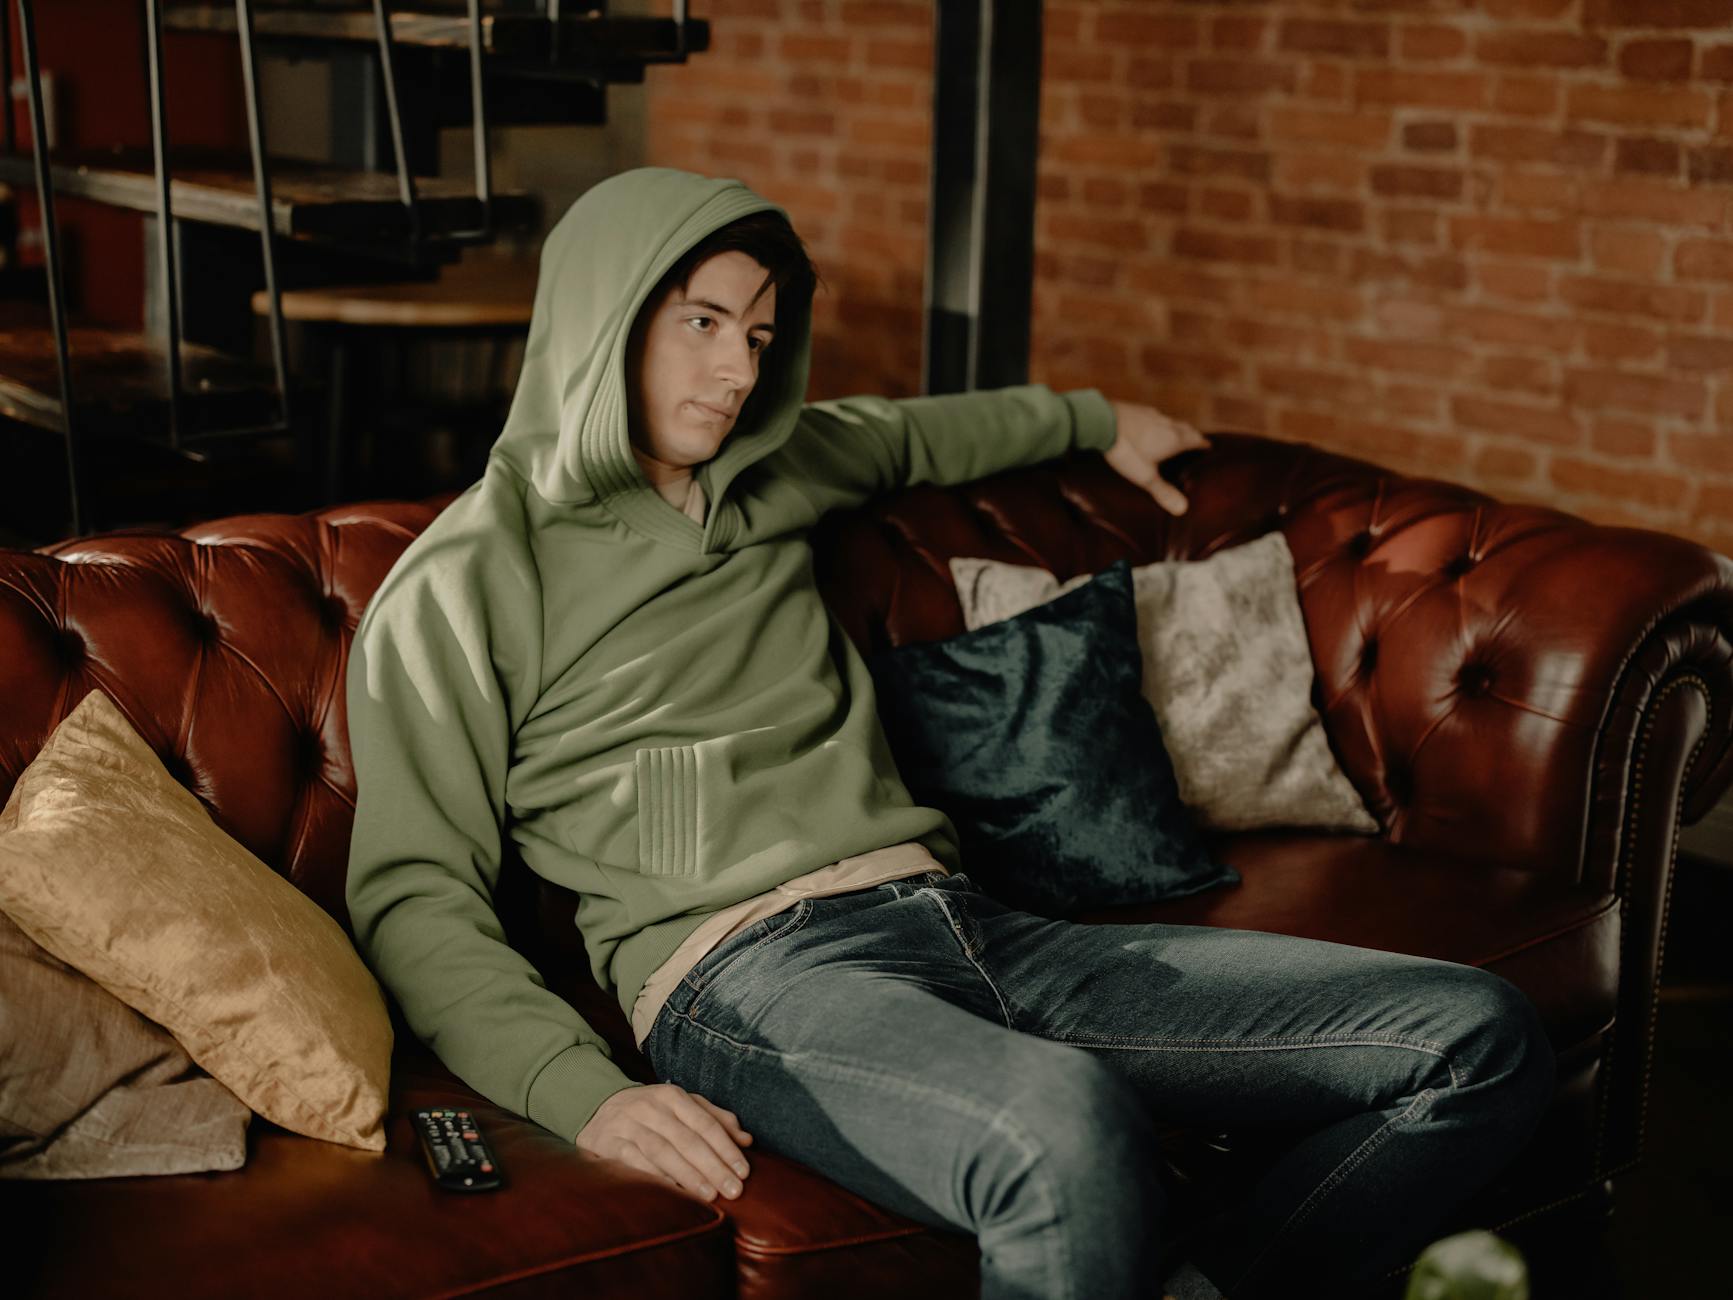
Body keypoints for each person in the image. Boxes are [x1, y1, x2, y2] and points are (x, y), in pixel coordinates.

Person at [345, 167, 1556, 1300]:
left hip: (961, 917)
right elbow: (414, 897)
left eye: (760, 337)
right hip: (745, 976)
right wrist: (585, 1095)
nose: (737, 372)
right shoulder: (462, 581)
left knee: (1471, 1036)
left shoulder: (775, 468)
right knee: (1061, 1127)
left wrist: (1095, 418)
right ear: (600, 318)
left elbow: (917, 433)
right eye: (702, 323)